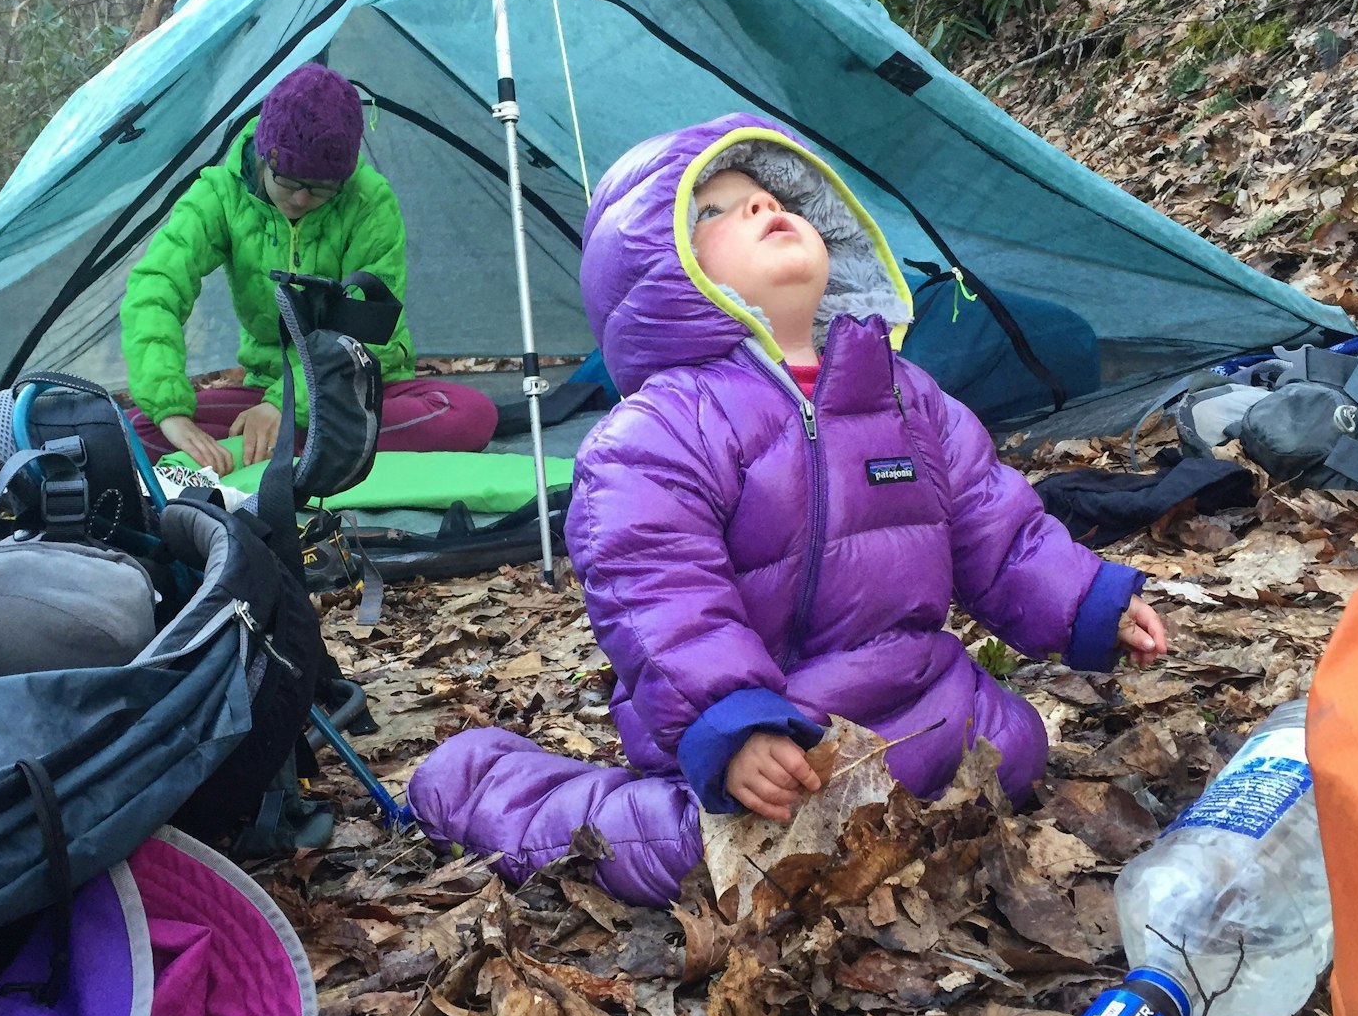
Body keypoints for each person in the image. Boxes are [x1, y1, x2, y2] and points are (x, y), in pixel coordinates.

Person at [407, 114, 1167, 907]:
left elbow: (995, 524)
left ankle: (891, 799)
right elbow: (658, 593)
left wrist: (1088, 600)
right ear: (655, 267)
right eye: (715, 210)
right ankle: (482, 786)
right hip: (774, 737)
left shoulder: (906, 395)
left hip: (918, 703)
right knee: (695, 855)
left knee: (1017, 748)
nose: (763, 208)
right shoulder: (663, 427)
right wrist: (733, 723)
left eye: (773, 196)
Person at [121, 63, 497, 474]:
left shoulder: (370, 202)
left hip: (360, 387)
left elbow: (367, 328)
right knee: (141, 428)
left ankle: (271, 446)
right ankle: (319, 447)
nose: (300, 199)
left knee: (469, 413)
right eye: (287, 181)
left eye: (320, 189)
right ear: (264, 157)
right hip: (266, 385)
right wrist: (170, 410)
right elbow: (156, 288)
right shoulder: (219, 194)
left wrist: (286, 404)